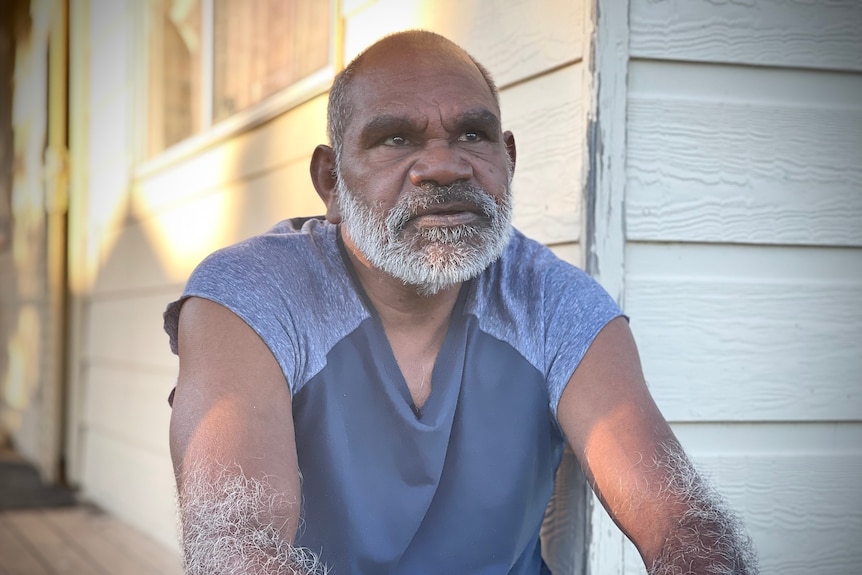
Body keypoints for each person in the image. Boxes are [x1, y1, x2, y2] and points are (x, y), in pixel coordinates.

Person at [164, 30, 757, 575]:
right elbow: (237, 551)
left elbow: (684, 526)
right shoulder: (251, 296)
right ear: (330, 182)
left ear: (509, 160)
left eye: (472, 135)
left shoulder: (555, 304)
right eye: (395, 139)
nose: (445, 166)